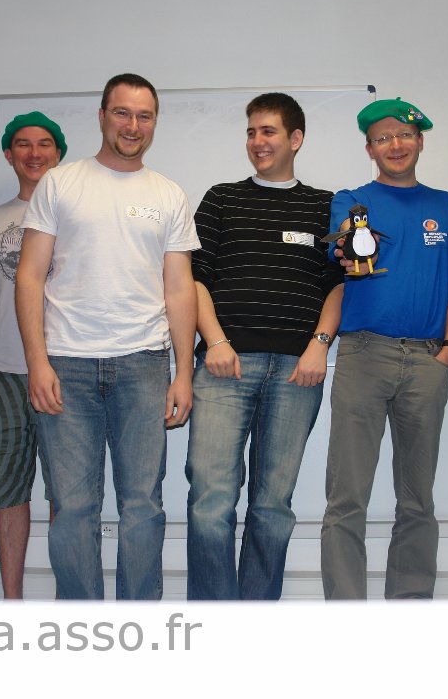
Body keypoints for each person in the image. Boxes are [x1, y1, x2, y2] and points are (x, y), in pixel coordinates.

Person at [15, 73, 200, 600]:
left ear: (154, 123)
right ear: (102, 116)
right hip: (66, 365)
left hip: (143, 365)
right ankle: (83, 627)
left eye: (144, 116)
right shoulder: (60, 184)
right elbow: (29, 276)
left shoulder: (168, 194)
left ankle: (137, 627)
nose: (132, 125)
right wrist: (37, 363)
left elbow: (179, 288)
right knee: (74, 508)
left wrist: (184, 374)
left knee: (143, 505)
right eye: (122, 113)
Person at [319, 98, 448, 600]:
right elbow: (345, 247)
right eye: (383, 138)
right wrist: (350, 249)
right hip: (364, 355)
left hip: (429, 360)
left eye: (404, 135)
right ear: (370, 148)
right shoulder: (352, 200)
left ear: (420, 142)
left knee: (417, 499)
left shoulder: (445, 205)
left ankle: (409, 608)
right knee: (347, 498)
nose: (395, 145)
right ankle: (346, 612)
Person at [186, 93, 345, 600]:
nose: (257, 141)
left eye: (268, 131)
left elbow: (339, 284)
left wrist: (319, 346)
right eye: (251, 132)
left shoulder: (325, 206)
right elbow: (194, 278)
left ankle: (255, 620)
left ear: (295, 139)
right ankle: (214, 620)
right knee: (210, 502)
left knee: (273, 507)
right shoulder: (221, 199)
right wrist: (214, 340)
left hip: (298, 372)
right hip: (224, 367)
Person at [0, 112, 66, 599]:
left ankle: (66, 598)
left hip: (63, 368)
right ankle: (12, 602)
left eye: (45, 143)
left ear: (59, 153)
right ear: (8, 154)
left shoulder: (75, 216)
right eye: (23, 144)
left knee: (66, 491)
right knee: (7, 490)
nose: (34, 153)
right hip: (0, 372)